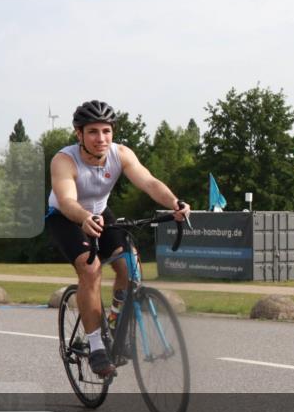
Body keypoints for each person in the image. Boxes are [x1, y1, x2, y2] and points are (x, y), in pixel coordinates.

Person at [45, 100, 190, 377]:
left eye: (106, 131)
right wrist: (84, 218)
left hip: (100, 212)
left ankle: (112, 320)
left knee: (130, 266)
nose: (101, 138)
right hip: (67, 216)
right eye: (93, 131)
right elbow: (66, 200)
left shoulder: (121, 153)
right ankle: (96, 346)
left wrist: (174, 202)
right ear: (79, 134)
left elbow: (149, 182)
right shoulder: (64, 160)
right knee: (91, 269)